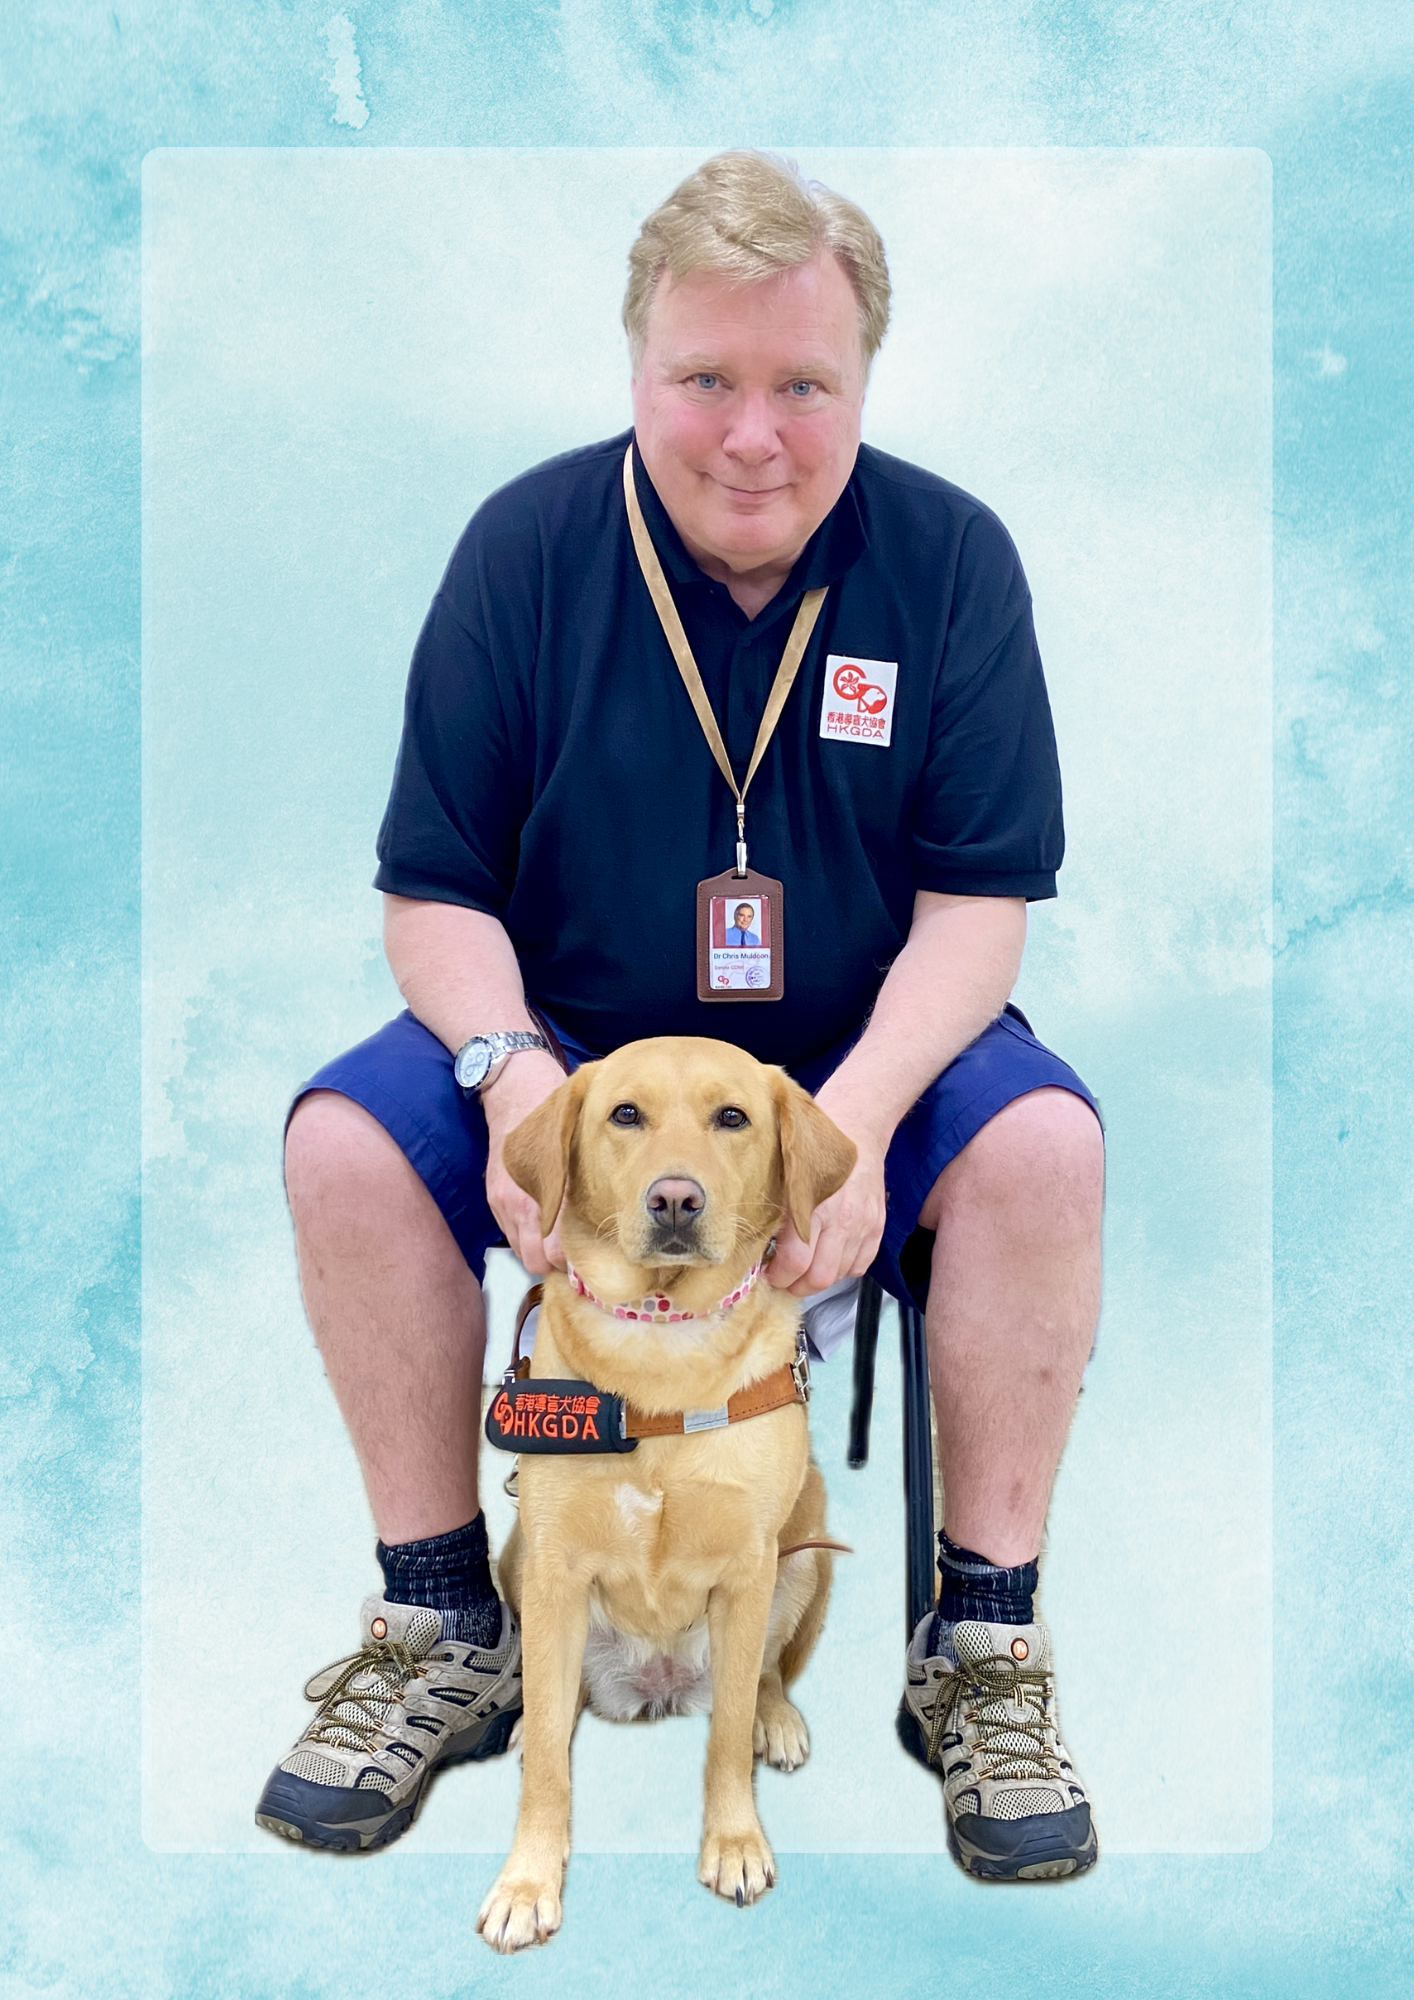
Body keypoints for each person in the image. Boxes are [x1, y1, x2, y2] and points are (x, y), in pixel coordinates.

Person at [255, 150, 1105, 1884]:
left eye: (803, 385)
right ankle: (443, 1624)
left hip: (857, 1042)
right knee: (347, 1143)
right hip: (569, 1043)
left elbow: (978, 910)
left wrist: (848, 1127)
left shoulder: (946, 560)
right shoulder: (526, 547)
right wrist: (509, 1082)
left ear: (863, 379)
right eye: (703, 379)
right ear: (634, 367)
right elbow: (434, 890)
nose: (750, 433)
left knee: (1040, 1147)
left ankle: (981, 1650)